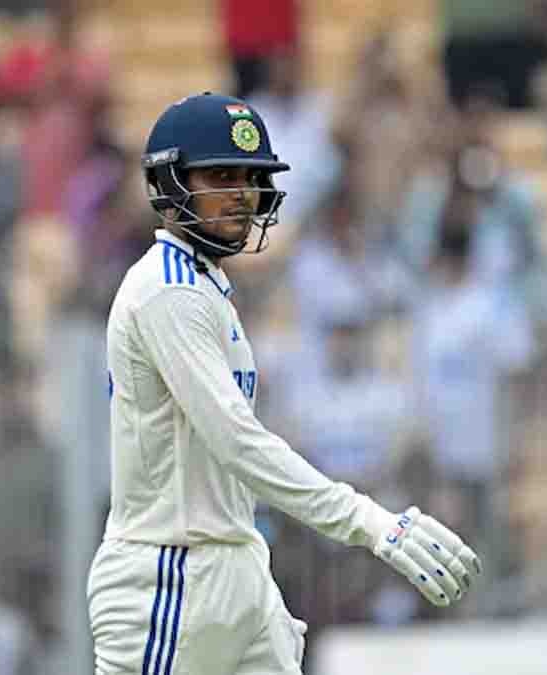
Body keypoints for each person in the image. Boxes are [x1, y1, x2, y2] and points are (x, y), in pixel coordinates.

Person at [87, 93, 482, 675]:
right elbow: (239, 441)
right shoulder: (167, 290)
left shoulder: (205, 287)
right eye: (220, 175)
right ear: (169, 184)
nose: (242, 194)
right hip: (168, 572)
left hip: (234, 564)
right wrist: (370, 522)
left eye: (250, 178)